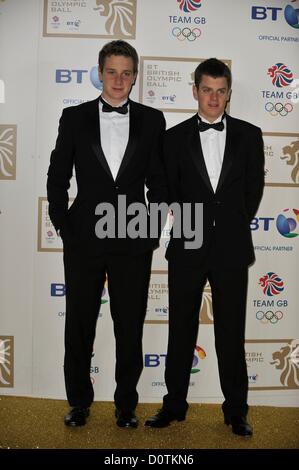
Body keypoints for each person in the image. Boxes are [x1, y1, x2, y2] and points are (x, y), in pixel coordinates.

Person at [47, 40, 167, 428]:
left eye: (126, 72)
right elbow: (57, 176)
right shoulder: (74, 117)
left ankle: (126, 406)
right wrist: (64, 224)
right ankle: (79, 402)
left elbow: (160, 182)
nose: (119, 80)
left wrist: (151, 227)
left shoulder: (152, 120)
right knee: (79, 322)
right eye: (112, 71)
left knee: (129, 325)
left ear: (135, 76)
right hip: (84, 237)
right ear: (100, 72)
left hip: (133, 238)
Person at [145, 58, 265, 436]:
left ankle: (236, 411)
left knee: (231, 332)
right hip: (187, 245)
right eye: (207, 89)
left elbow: (252, 191)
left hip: (231, 247)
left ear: (229, 94)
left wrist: (229, 222)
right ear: (194, 90)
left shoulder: (250, 135)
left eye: (221, 90)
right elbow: (161, 187)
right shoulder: (172, 138)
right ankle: (174, 405)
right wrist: (182, 217)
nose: (214, 98)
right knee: (180, 330)